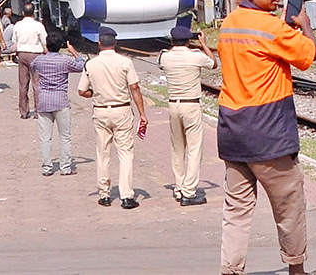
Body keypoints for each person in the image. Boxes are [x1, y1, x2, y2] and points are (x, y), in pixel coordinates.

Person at [217, 0, 316, 275]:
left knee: (236, 210)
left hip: (232, 130)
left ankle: (230, 270)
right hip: (269, 133)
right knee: (288, 207)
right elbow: (307, 56)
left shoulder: (229, 22)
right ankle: (296, 270)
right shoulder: (273, 27)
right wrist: (304, 25)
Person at [78, 26, 148, 209]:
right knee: (125, 153)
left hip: (101, 111)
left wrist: (96, 93)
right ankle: (126, 196)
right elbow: (134, 88)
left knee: (103, 153)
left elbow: (81, 91)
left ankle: (105, 195)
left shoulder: (91, 64)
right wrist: (142, 113)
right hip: (122, 110)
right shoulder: (125, 63)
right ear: (115, 43)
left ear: (99, 43)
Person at [158, 25, 217, 205]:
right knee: (194, 149)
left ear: (172, 41)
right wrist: (204, 44)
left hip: (173, 106)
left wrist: (173, 46)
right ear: (189, 41)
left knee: (177, 149)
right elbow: (214, 64)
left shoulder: (165, 57)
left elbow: (163, 58)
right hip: (191, 106)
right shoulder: (196, 56)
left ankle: (179, 187)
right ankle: (189, 192)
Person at [30, 31, 86, 176]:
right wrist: (74, 52)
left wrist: (45, 52)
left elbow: (32, 65)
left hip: (44, 101)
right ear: (61, 46)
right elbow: (81, 66)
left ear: (47, 45)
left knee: (45, 138)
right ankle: (65, 167)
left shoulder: (39, 60)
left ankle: (47, 168)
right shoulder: (65, 61)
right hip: (61, 101)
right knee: (65, 137)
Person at [13, 7, 49, 119]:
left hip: (22, 54)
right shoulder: (38, 25)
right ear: (33, 13)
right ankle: (38, 111)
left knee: (23, 84)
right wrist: (45, 49)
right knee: (37, 83)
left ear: (23, 12)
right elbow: (44, 40)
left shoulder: (18, 25)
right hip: (35, 54)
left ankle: (23, 111)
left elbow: (15, 40)